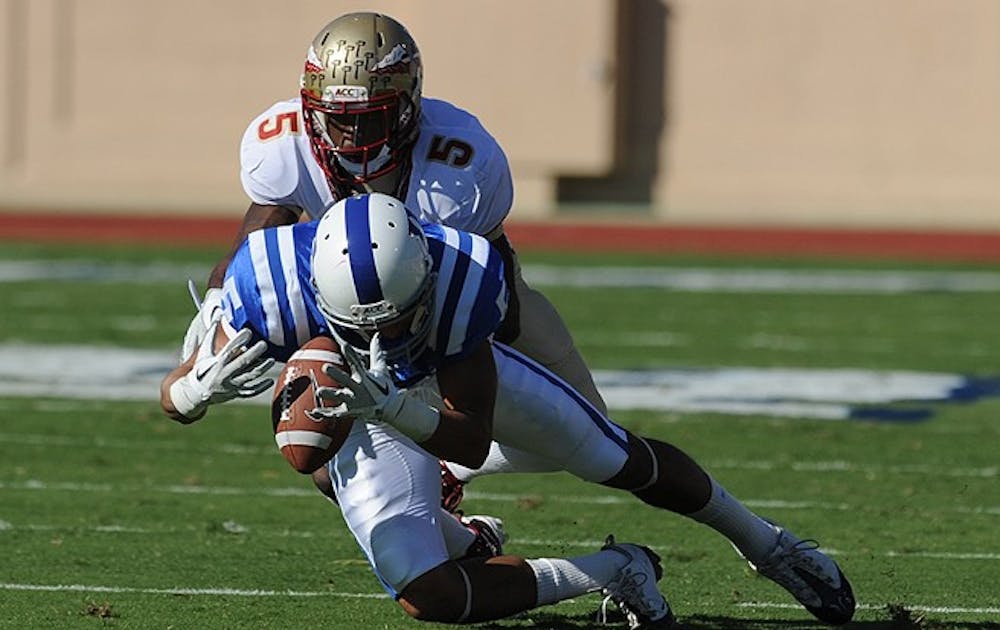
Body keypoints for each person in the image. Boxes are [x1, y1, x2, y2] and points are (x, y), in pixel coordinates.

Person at [160, 193, 856, 626]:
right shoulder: (266, 283)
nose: (382, 336)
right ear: (315, 290)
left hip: (432, 389)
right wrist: (193, 392)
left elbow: (466, 439)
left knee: (613, 456)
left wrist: (397, 402)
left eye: (395, 318)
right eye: (361, 323)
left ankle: (767, 544)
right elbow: (173, 396)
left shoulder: (463, 277)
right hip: (355, 399)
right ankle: (611, 571)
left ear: (425, 277)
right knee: (423, 592)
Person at [181, 11, 606, 415]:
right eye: (336, 120)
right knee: (329, 440)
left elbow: (497, 302)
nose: (350, 137)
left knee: (587, 414)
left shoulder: (460, 160)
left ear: (408, 105)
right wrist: (220, 302)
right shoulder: (282, 144)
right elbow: (253, 246)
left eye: (370, 119)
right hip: (339, 293)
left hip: (444, 286)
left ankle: (454, 467)